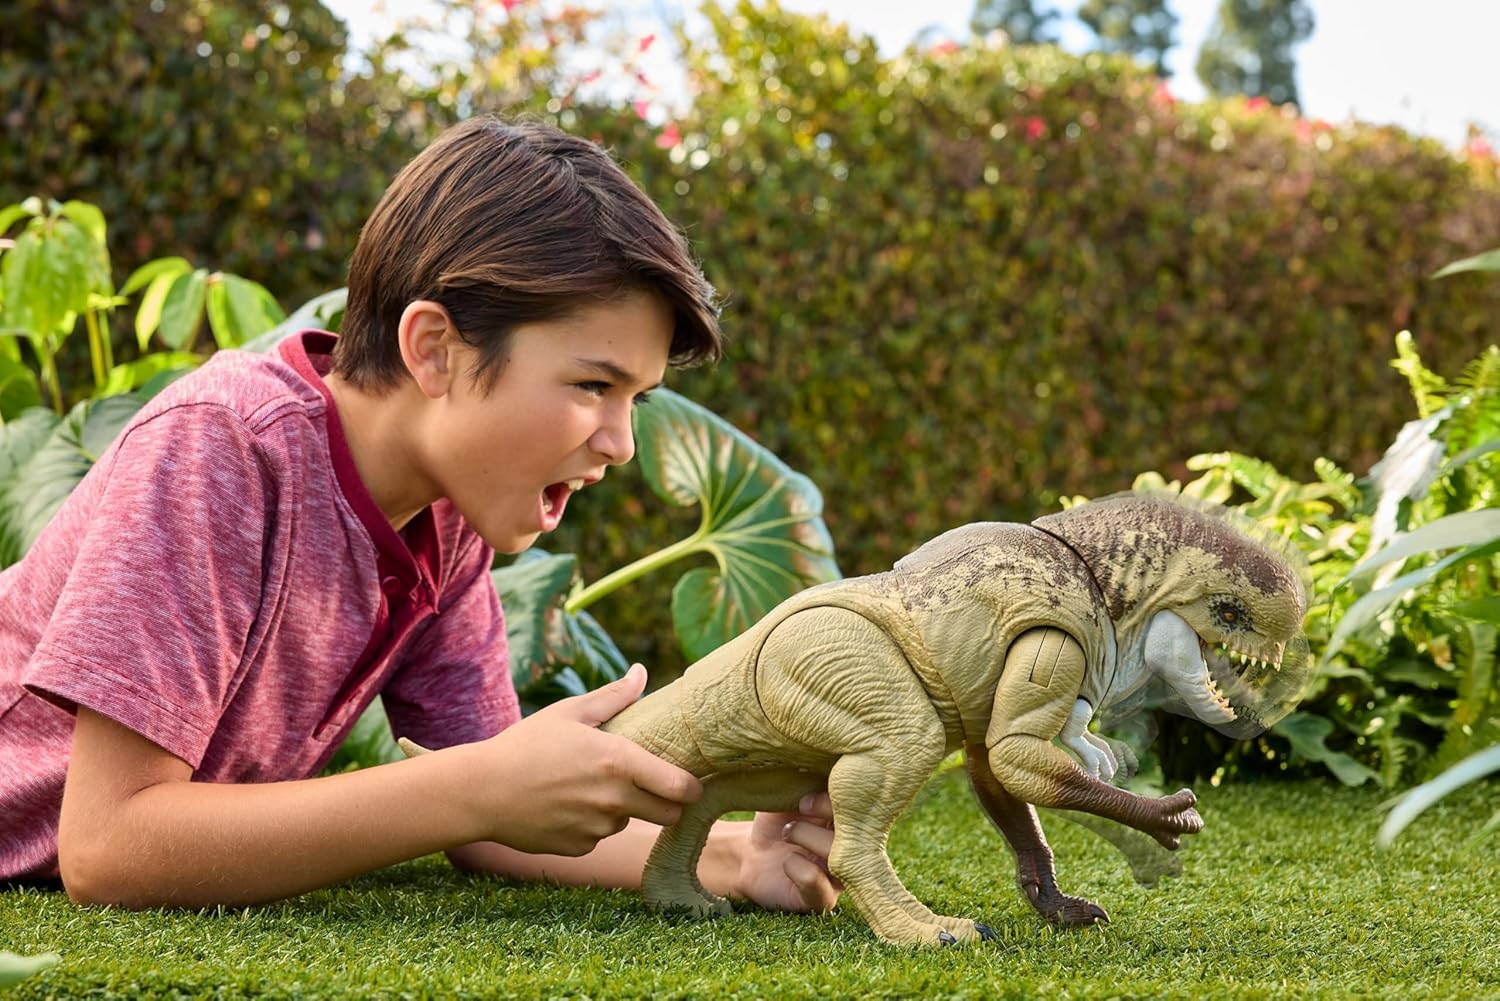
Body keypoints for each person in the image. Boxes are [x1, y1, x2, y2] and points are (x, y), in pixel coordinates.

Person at [0, 116, 839, 914]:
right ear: (435, 348)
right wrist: (474, 786)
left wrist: (735, 856)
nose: (621, 443)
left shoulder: (448, 518)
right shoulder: (223, 447)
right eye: (593, 385)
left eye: (636, 398)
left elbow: (494, 820)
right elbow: (110, 845)